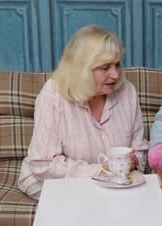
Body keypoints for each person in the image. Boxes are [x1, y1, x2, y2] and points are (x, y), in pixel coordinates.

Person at [19, 25, 146, 199]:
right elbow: (43, 165)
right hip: (55, 182)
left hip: (116, 181)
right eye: (105, 67)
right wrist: (102, 170)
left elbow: (139, 150)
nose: (116, 74)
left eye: (117, 64)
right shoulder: (53, 95)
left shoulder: (128, 92)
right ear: (82, 69)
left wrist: (133, 161)